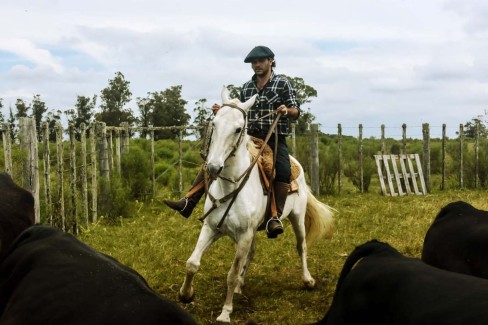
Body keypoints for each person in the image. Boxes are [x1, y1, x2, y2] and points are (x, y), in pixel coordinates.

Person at [164, 45, 300, 239]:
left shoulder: (282, 84)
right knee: (214, 159)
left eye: (260, 61)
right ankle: (189, 201)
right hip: (249, 137)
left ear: (270, 61)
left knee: (283, 171)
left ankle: (274, 217)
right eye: (253, 63)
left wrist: (286, 111)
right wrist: (223, 110)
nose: (256, 65)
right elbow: (238, 112)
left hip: (274, 137)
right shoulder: (246, 87)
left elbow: (296, 111)